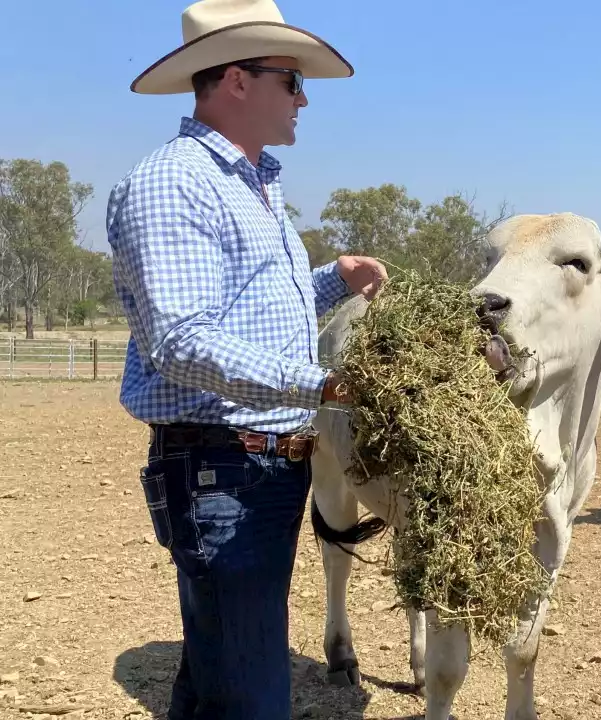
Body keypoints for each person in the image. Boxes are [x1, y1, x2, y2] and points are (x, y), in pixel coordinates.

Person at [106, 1, 386, 717]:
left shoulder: (254, 185)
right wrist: (325, 382)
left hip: (254, 468)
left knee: (217, 683)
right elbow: (182, 339)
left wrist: (331, 279)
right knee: (252, 698)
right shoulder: (174, 183)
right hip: (221, 470)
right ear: (236, 80)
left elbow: (249, 311)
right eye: (290, 80)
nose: (303, 97)